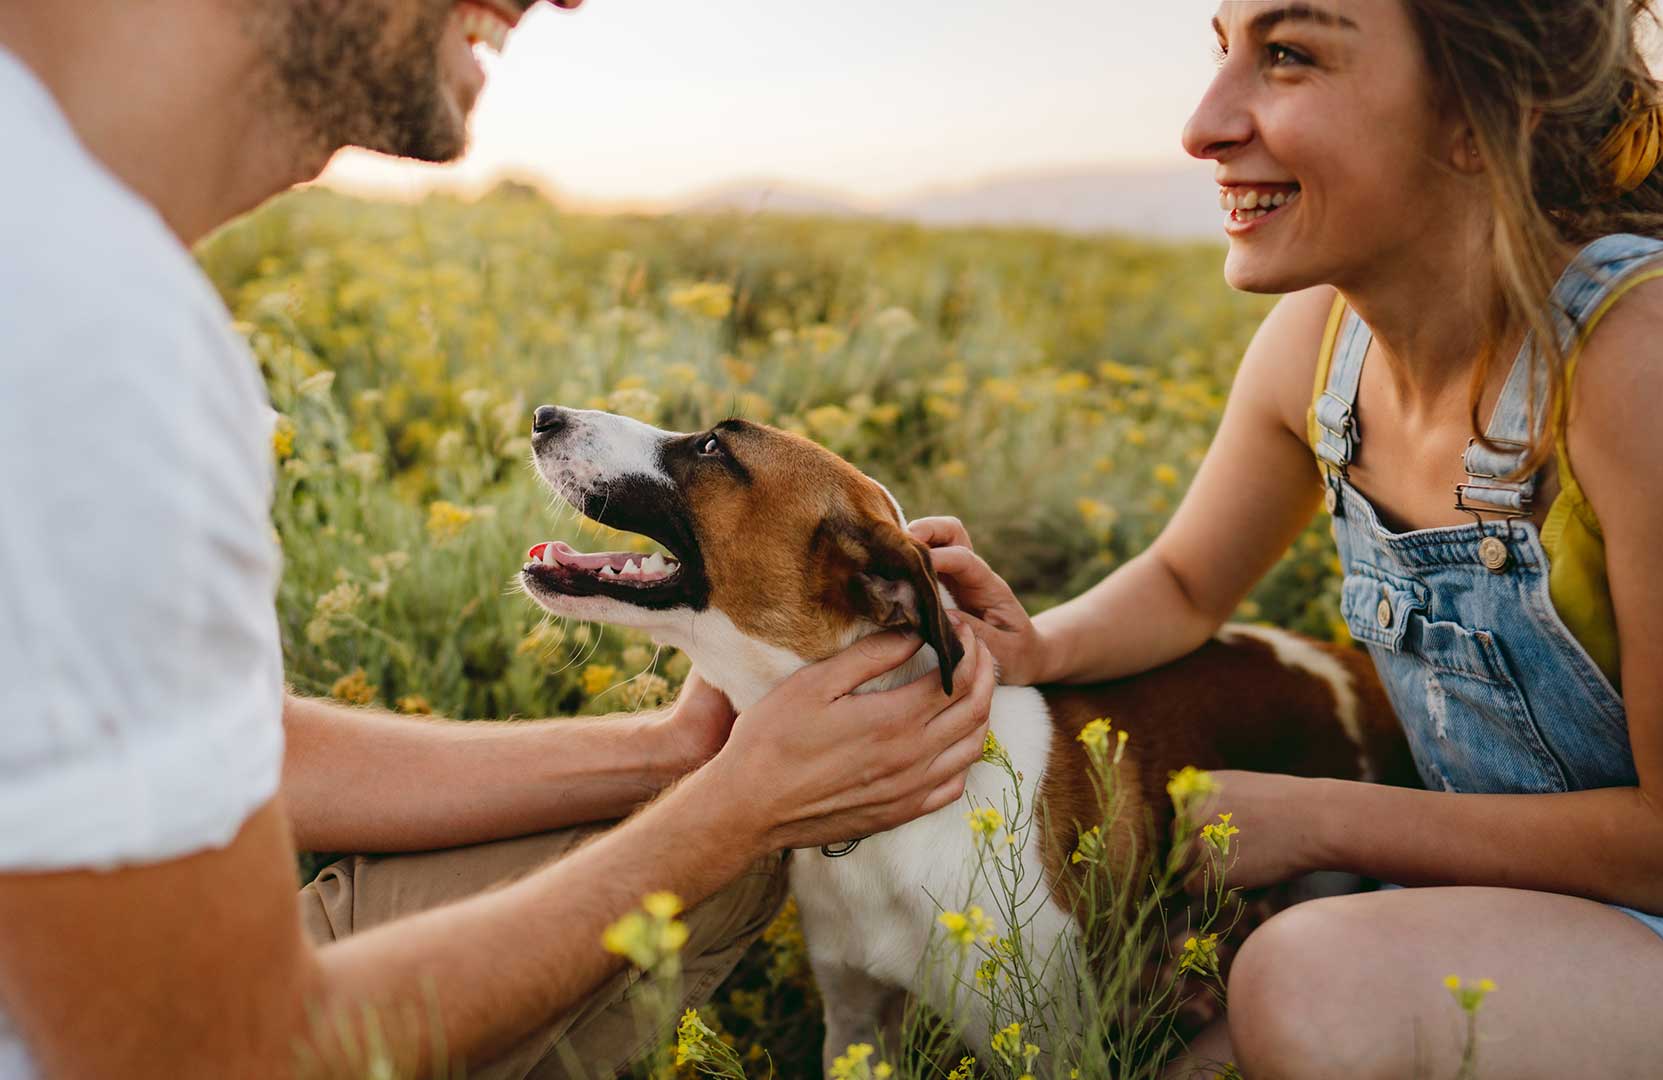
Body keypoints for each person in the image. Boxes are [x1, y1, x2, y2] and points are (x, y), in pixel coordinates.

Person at [914, 1, 1663, 1076]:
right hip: (1543, 915)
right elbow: (1182, 579)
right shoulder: (1319, 346)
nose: (1203, 125)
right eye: (1224, 51)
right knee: (1170, 1052)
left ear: (1478, 113)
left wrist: (1321, 820)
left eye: (1289, 56)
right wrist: (1038, 647)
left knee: (1313, 986)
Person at [0, 2, 994, 1077]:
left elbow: (233, 743)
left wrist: (671, 756)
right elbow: (228, 1055)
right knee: (734, 859)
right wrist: (732, 813)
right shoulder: (95, 336)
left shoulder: (53, 234)